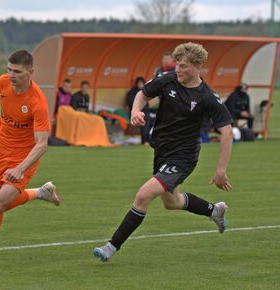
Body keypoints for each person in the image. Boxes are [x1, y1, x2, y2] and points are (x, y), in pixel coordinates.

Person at [93, 42, 234, 262]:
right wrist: (135, 111)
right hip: (162, 151)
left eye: (184, 66)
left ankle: (111, 247)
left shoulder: (207, 96)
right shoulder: (168, 79)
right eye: (177, 64)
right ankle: (214, 211)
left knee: (143, 195)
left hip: (183, 156)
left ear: (198, 67)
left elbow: (227, 132)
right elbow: (143, 93)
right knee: (172, 202)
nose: (178, 69)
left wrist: (221, 171)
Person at [0, 50, 61, 261]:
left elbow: (42, 145)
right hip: (1, 150)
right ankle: (41, 193)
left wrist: (20, 168)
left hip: (24, 157)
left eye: (17, 71)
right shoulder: (4, 82)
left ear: (30, 72)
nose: (11, 75)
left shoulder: (38, 102)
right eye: (9, 69)